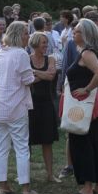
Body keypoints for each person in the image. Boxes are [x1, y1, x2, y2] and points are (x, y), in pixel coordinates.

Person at [0, 21, 36, 194]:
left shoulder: (3, 51)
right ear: (18, 35)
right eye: (25, 33)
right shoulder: (21, 54)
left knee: (1, 147)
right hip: (15, 105)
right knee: (22, 147)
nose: (28, 36)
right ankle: (25, 189)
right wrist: (39, 75)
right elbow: (28, 80)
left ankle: (3, 187)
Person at [66, 19, 98, 194]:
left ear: (84, 35)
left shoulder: (87, 54)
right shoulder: (84, 52)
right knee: (92, 143)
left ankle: (87, 187)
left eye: (76, 31)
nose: (72, 34)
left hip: (85, 106)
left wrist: (87, 89)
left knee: (82, 145)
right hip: (87, 106)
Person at [27, 31, 59, 182]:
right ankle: (25, 173)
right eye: (43, 42)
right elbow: (28, 80)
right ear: (34, 44)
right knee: (27, 141)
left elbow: (51, 76)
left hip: (46, 103)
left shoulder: (51, 58)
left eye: (46, 42)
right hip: (29, 104)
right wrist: (43, 74)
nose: (46, 45)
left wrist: (34, 72)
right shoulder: (27, 59)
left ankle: (50, 174)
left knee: (47, 141)